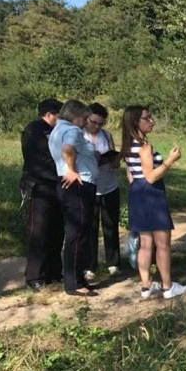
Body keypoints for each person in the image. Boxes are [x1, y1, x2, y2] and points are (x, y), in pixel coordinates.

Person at [121, 105, 186, 300]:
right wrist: (170, 160)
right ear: (136, 122)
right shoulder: (144, 147)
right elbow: (151, 177)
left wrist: (138, 187)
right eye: (147, 118)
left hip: (137, 194)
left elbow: (131, 174)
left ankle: (146, 286)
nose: (152, 121)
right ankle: (168, 286)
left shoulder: (128, 145)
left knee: (145, 243)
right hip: (151, 195)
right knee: (163, 244)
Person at [48, 99, 98, 297]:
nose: (86, 122)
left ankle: (77, 278)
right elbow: (68, 150)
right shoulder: (72, 130)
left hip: (66, 185)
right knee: (78, 233)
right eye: (85, 118)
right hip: (78, 185)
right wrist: (73, 170)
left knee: (76, 233)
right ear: (76, 116)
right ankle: (74, 282)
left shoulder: (57, 129)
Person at [20, 97, 63, 292]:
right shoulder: (33, 130)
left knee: (56, 230)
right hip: (39, 186)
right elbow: (36, 160)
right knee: (39, 231)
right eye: (58, 115)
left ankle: (54, 272)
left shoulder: (56, 130)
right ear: (49, 114)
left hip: (57, 185)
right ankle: (34, 276)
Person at [82, 102, 122, 280]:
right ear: (86, 118)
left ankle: (113, 263)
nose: (97, 126)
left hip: (109, 186)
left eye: (101, 123)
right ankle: (90, 265)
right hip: (89, 186)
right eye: (94, 122)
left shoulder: (106, 135)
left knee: (111, 225)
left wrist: (113, 160)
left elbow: (116, 161)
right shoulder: (79, 135)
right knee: (90, 227)